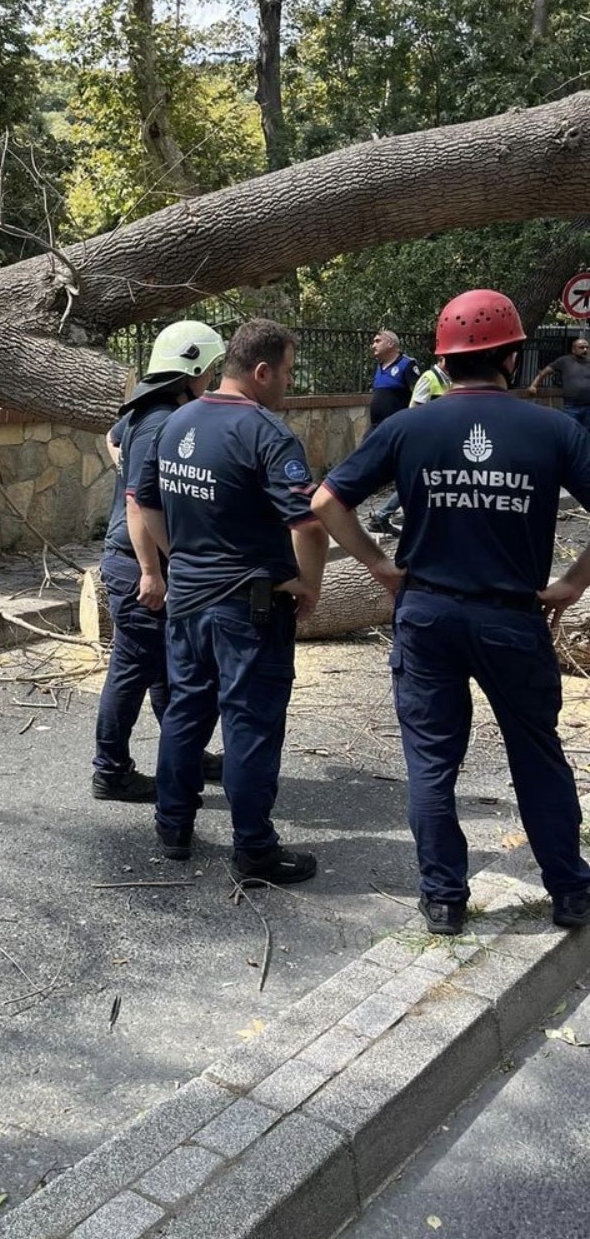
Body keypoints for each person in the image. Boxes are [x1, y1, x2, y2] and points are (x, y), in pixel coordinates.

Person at [311, 288, 590, 936]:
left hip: (426, 617)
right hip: (511, 618)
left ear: (444, 361)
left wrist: (380, 568)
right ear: (513, 358)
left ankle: (442, 899)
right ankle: (571, 893)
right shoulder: (553, 429)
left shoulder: (409, 426)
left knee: (431, 764)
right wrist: (572, 583)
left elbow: (326, 501)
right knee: (536, 753)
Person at [133, 318, 329, 880]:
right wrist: (309, 586)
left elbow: (146, 505)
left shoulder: (174, 423)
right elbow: (309, 524)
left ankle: (173, 828)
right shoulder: (266, 432)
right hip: (249, 607)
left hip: (188, 600)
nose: (289, 383)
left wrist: (185, 559)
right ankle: (255, 852)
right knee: (250, 725)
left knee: (186, 714)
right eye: (287, 372)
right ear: (262, 371)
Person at [92, 321, 227, 801]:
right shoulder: (158, 420)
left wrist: (125, 461)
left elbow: (110, 440)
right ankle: (110, 772)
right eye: (210, 369)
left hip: (140, 560)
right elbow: (136, 502)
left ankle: (184, 751)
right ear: (190, 370)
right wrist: (152, 571)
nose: (212, 377)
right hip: (137, 564)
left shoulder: (142, 412)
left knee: (166, 668)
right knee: (131, 670)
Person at [365, 357, 452, 535]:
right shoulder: (429, 377)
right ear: (442, 359)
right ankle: (383, 515)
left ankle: (400, 514)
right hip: (426, 439)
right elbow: (416, 409)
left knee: (426, 480)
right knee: (418, 479)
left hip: (439, 439)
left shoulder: (447, 380)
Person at [365, 330, 422, 534]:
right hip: (376, 427)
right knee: (361, 462)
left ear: (391, 344)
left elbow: (419, 394)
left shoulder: (407, 365)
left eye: (377, 341)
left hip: (397, 430)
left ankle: (387, 515)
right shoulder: (379, 367)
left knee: (405, 473)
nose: (373, 345)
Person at [528, 335, 590, 430]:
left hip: (588, 405)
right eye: (581, 347)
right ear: (573, 349)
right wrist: (533, 385)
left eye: (587, 347)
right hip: (571, 406)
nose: (585, 350)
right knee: (571, 431)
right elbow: (545, 372)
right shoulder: (564, 361)